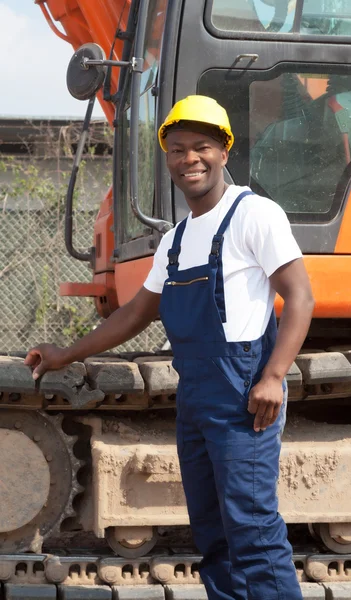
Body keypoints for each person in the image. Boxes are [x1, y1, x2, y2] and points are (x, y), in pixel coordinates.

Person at [25, 95, 314, 600]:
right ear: (168, 159)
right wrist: (65, 354)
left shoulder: (254, 215)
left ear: (225, 151)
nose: (189, 159)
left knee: (251, 526)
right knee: (211, 527)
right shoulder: (175, 241)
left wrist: (274, 375)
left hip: (244, 390)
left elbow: (301, 296)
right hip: (197, 393)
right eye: (178, 149)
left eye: (202, 146)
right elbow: (135, 314)